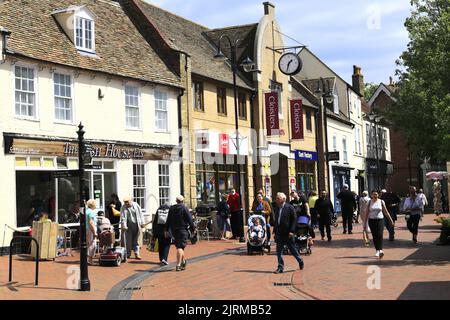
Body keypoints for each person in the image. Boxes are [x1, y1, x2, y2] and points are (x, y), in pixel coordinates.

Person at [273, 193, 304, 274]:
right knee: (279, 251)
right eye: (276, 198)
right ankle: (280, 267)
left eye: (278, 198)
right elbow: (276, 220)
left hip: (288, 233)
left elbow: (294, 219)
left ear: (283, 199)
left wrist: (292, 231)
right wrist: (275, 231)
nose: (276, 200)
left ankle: (300, 260)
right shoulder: (277, 208)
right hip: (279, 233)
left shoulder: (289, 207)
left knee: (292, 249)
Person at [165, 195, 196, 272]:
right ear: (182, 201)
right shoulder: (184, 208)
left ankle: (183, 262)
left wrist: (166, 230)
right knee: (180, 247)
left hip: (174, 231)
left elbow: (168, 220)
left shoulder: (171, 208)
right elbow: (190, 219)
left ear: (176, 201)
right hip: (183, 230)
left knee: (179, 247)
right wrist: (193, 229)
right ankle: (178, 265)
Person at [364, 190, 394, 259]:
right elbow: (366, 213)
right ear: (371, 195)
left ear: (378, 195)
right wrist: (365, 223)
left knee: (380, 234)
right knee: (374, 235)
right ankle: (377, 250)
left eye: (376, 194)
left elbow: (386, 212)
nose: (375, 195)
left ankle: (380, 250)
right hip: (372, 221)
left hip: (380, 220)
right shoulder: (369, 202)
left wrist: (391, 220)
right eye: (373, 194)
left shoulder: (381, 201)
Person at [86, 199, 98, 266]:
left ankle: (87, 259)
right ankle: (90, 259)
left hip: (86, 229)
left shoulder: (86, 211)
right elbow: (91, 222)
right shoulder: (91, 212)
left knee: (88, 244)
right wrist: (94, 232)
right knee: (93, 244)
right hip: (90, 229)